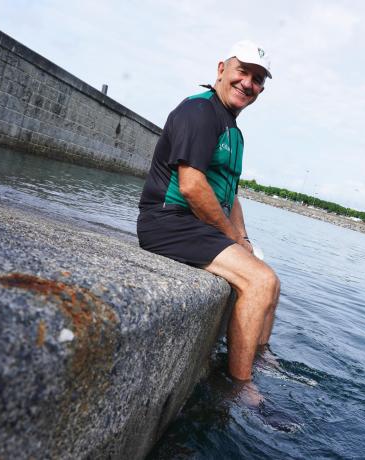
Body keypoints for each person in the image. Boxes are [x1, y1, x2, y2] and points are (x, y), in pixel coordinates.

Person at [137, 40, 280, 382]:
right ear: (221, 69)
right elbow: (191, 185)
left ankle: (260, 357)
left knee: (272, 284)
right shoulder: (199, 111)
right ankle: (242, 387)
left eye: (258, 79)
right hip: (168, 222)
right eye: (242, 71)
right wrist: (230, 237)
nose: (248, 83)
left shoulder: (233, 129)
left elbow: (229, 194)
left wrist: (242, 239)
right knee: (260, 281)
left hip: (196, 227)